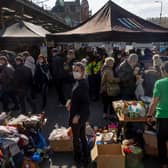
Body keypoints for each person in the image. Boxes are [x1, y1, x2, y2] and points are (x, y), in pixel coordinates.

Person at [66, 62, 90, 166]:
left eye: (77, 71)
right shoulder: (78, 81)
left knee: (76, 138)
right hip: (79, 114)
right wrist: (70, 102)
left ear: (82, 72)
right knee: (82, 136)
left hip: (79, 115)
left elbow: (85, 103)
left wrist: (77, 115)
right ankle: (86, 156)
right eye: (74, 70)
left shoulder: (83, 84)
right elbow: (76, 96)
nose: (75, 72)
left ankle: (78, 158)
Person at [147, 61, 168, 168]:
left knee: (162, 142)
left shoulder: (159, 83)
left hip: (163, 117)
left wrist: (149, 115)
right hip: (163, 116)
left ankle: (164, 164)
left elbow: (154, 102)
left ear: (164, 71)